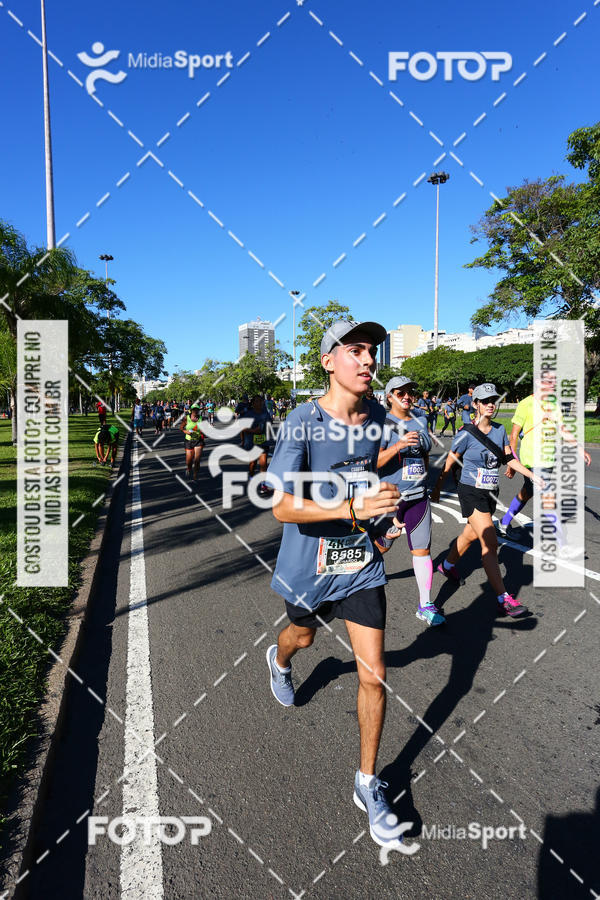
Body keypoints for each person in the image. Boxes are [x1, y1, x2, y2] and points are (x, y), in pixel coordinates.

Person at [265, 319, 404, 850]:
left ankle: (367, 783)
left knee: (375, 674)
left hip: (361, 563)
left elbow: (369, 477)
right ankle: (279, 661)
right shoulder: (302, 421)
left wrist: (380, 519)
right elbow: (280, 505)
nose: (368, 360)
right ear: (328, 361)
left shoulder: (375, 419)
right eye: (355, 350)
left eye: (372, 351)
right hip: (309, 564)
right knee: (301, 637)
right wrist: (348, 507)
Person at [430, 383, 544, 616]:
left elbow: (508, 458)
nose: (491, 404)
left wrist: (532, 474)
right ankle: (504, 598)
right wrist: (438, 487)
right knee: (490, 542)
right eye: (486, 401)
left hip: (490, 492)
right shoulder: (465, 434)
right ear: (476, 405)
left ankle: (447, 565)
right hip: (470, 492)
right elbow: (450, 461)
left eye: (494, 400)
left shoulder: (500, 430)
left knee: (470, 533)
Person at [374, 376, 443, 626]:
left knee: (422, 550)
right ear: (389, 396)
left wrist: (428, 484)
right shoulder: (380, 423)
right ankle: (359, 578)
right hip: (391, 498)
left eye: (409, 392)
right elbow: (375, 462)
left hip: (418, 497)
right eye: (400, 392)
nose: (406, 396)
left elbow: (424, 455)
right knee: (382, 545)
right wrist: (398, 445)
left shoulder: (421, 420)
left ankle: (425, 604)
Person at [497, 376, 592, 538]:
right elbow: (513, 436)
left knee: (527, 492)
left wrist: (579, 448)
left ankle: (503, 523)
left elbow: (562, 429)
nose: (553, 384)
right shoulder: (526, 404)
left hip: (549, 459)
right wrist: (512, 463)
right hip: (532, 459)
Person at [242, 395, 275, 496]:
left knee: (263, 463)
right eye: (256, 401)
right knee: (252, 464)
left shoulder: (265, 414)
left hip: (263, 442)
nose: (259, 403)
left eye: (260, 401)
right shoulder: (248, 414)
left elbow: (269, 425)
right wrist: (253, 431)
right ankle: (251, 477)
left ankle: (263, 485)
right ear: (253, 403)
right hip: (252, 442)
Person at [180, 404, 205, 480]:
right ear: (191, 410)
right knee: (189, 461)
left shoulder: (201, 418)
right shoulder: (186, 418)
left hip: (198, 441)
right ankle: (188, 468)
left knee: (197, 460)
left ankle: (195, 475)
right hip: (188, 441)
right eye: (194, 410)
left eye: (197, 410)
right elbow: (181, 428)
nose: (195, 411)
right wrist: (185, 431)